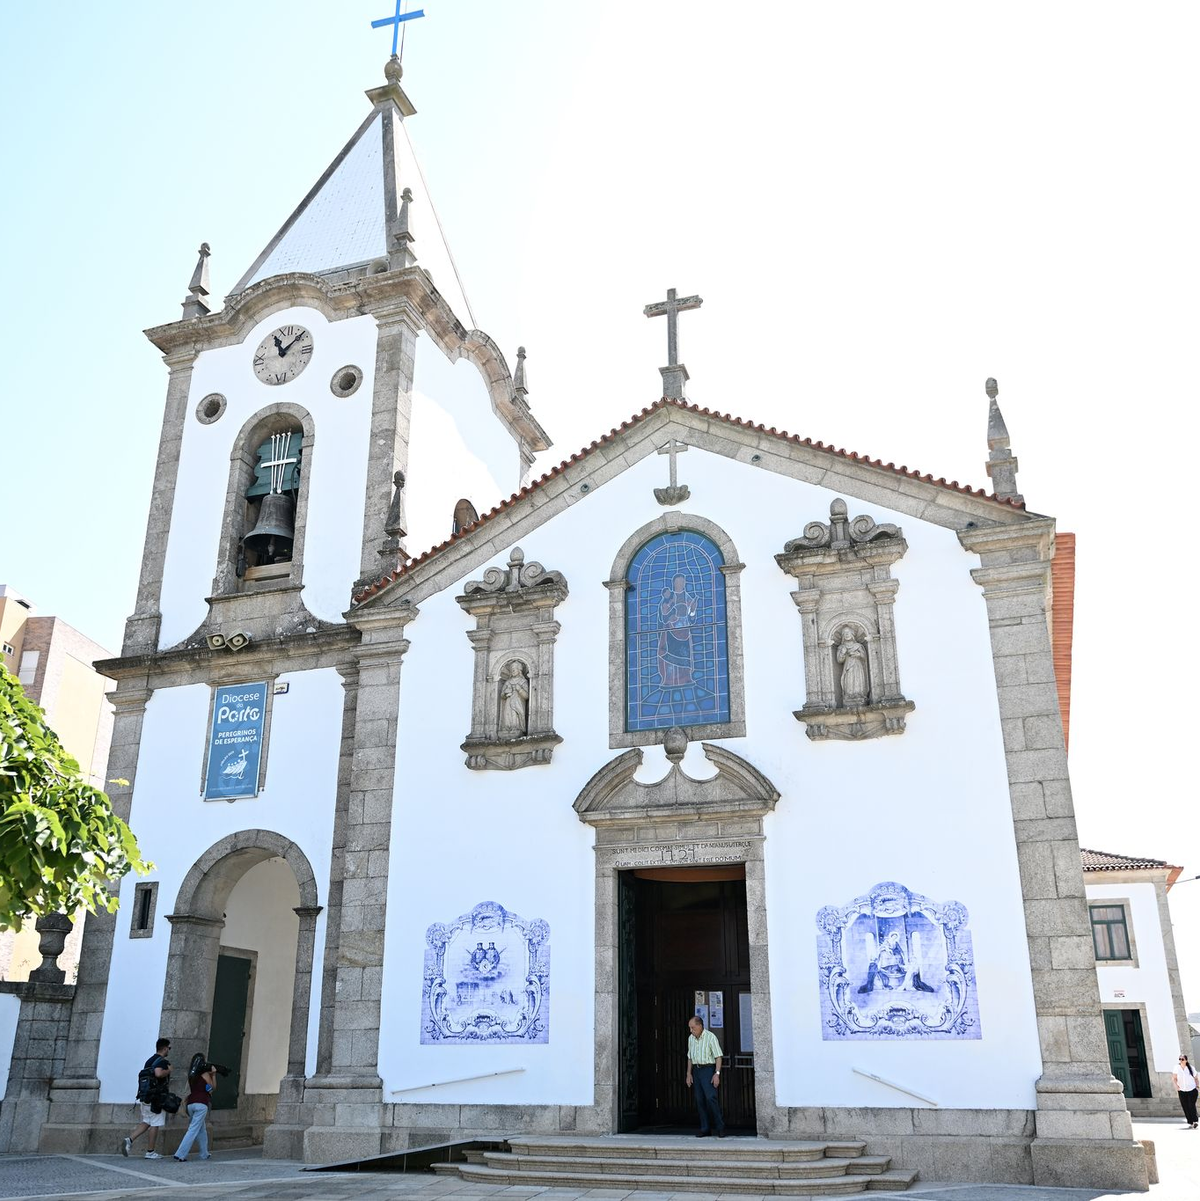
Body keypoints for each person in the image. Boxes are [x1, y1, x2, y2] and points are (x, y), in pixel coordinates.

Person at [122, 1038, 172, 1159]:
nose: (169, 1050)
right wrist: (168, 1070)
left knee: (147, 1121)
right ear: (165, 1048)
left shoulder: (149, 1060)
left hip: (145, 1096)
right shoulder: (162, 1062)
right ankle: (150, 1151)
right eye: (169, 1048)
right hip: (155, 1098)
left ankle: (129, 1140)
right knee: (155, 1123)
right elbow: (158, 1074)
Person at [685, 1015, 725, 1138]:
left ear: (700, 1026)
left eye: (693, 1028)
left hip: (708, 1069)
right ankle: (705, 1128)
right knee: (699, 1099)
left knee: (710, 1098)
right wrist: (688, 1074)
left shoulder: (710, 1037)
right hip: (697, 1070)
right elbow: (690, 1057)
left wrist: (716, 1074)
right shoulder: (691, 1038)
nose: (691, 1030)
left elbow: (718, 1056)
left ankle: (720, 1127)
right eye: (690, 1028)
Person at [173, 1056, 217, 1161]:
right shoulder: (205, 1074)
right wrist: (214, 1075)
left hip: (191, 1104)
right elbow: (212, 1088)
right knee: (193, 1129)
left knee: (201, 1130)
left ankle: (204, 1153)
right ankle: (180, 1154)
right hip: (201, 1103)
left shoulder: (191, 1075)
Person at [1173, 1054, 1198, 1128]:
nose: (1181, 1060)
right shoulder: (1177, 1068)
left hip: (1192, 1090)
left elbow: (1196, 1078)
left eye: (1182, 1059)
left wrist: (1197, 1086)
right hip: (1182, 1090)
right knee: (1185, 1106)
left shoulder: (1191, 1068)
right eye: (1180, 1059)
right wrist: (1176, 1086)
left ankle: (1195, 1121)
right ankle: (1190, 1122)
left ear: (1186, 1060)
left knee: (1191, 1105)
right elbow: (1174, 1078)